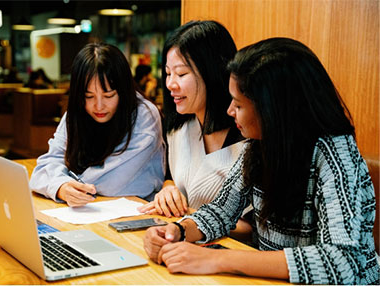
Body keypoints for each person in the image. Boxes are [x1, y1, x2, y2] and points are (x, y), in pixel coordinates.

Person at [143, 37, 379, 285]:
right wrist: (177, 231)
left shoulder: (335, 153)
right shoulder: (259, 145)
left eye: (239, 104)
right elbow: (221, 211)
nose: (229, 111)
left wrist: (219, 260)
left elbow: (342, 262)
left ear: (273, 109)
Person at [138, 20, 249, 224]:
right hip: (181, 242)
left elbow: (252, 228)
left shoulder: (247, 136)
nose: (170, 84)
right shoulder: (179, 129)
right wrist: (168, 190)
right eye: (168, 73)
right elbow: (172, 177)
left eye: (181, 74)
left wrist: (192, 217)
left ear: (212, 71)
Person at [29, 43, 165, 207]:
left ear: (123, 90)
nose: (99, 106)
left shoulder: (144, 116)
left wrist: (59, 181)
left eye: (108, 95)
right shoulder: (76, 112)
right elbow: (45, 166)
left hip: (137, 210)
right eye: (89, 96)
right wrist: (62, 187)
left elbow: (112, 183)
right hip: (85, 210)